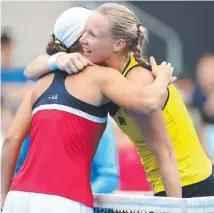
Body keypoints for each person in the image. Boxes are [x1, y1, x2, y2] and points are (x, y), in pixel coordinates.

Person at [25, 3, 214, 198]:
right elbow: (31, 70)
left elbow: (166, 154)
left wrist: (175, 208)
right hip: (167, 187)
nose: (83, 41)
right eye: (84, 33)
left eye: (92, 35)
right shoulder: (105, 76)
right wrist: (58, 59)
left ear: (118, 44)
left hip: (191, 186)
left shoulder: (138, 79)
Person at [1, 7, 174, 213]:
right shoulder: (103, 77)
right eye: (90, 31)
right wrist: (162, 78)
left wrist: (3, 196)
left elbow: (11, 140)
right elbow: (148, 102)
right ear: (83, 40)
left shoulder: (40, 82)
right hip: (65, 200)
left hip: (18, 198)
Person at [15, 120, 119, 193]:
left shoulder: (97, 123)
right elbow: (20, 167)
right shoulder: (37, 115)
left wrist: (75, 201)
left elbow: (108, 176)